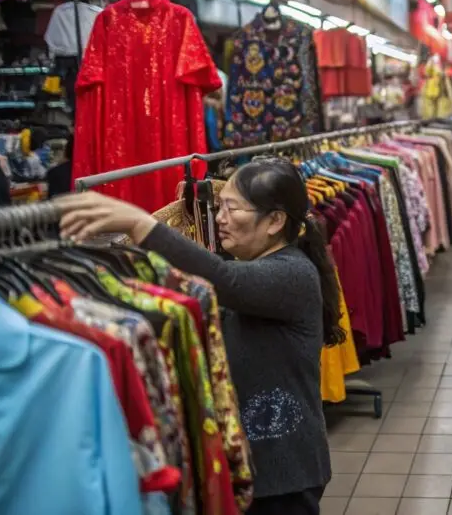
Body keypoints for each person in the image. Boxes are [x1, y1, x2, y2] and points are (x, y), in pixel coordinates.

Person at [57, 158, 342, 515]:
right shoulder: (255, 267)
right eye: (219, 206)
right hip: (255, 469)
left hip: (285, 472)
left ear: (275, 221)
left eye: (232, 208)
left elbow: (223, 280)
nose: (220, 218)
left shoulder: (293, 274)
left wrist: (138, 223)